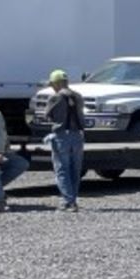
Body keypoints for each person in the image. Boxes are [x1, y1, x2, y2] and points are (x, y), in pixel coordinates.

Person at [44, 68, 85, 210]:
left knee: (62, 169)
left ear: (56, 83)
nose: (51, 87)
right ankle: (73, 197)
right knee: (75, 169)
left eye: (52, 84)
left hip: (62, 135)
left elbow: (47, 115)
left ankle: (69, 201)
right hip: (78, 135)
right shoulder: (78, 96)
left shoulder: (55, 97)